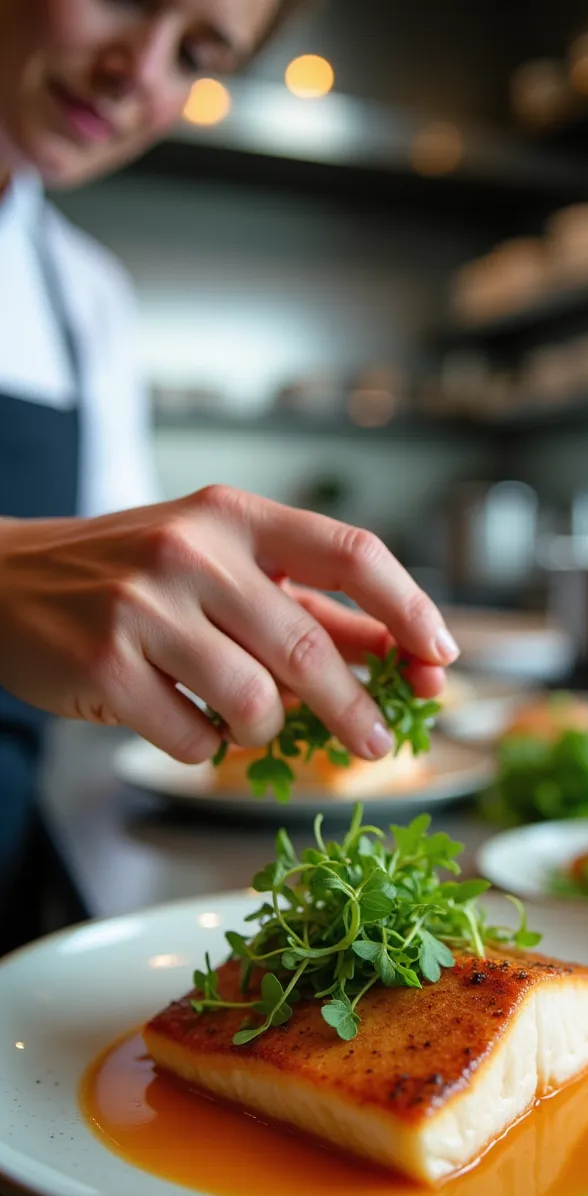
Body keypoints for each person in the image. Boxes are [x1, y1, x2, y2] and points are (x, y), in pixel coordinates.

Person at [0, 0, 459, 930]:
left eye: (197, 53)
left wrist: (237, 631)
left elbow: (111, 586)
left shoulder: (87, 297)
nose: (139, 70)